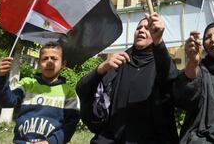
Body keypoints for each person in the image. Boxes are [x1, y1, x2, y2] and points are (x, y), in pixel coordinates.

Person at [76, 12, 179, 144]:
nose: (141, 30)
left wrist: (159, 41)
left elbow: (170, 78)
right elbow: (82, 88)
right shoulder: (119, 61)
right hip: (111, 138)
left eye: (147, 28)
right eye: (138, 28)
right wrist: (102, 68)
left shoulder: (162, 64)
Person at [0, 41, 80, 144]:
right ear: (38, 63)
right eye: (45, 59)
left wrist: (50, 142)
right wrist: (1, 77)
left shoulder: (69, 93)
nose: (49, 62)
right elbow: (7, 102)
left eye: (54, 58)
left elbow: (71, 125)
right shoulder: (27, 84)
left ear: (63, 64)